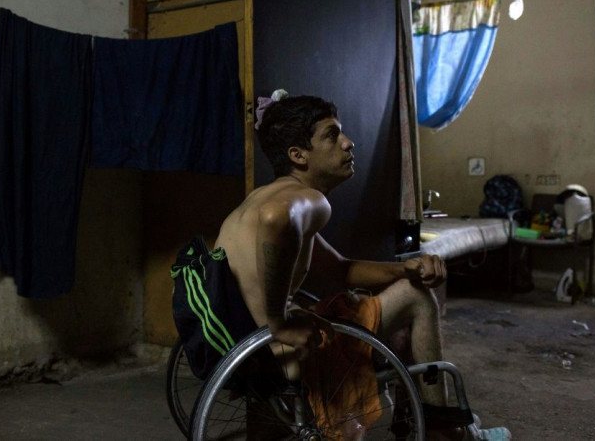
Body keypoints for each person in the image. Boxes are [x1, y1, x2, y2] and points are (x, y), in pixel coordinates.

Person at [173, 91, 477, 440]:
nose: (348, 143)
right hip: (276, 349)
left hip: (248, 349)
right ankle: (444, 431)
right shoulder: (307, 200)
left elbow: (341, 270)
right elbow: (276, 221)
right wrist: (279, 323)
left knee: (388, 290)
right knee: (416, 298)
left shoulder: (265, 197)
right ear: (298, 155)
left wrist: (405, 269)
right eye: (332, 135)